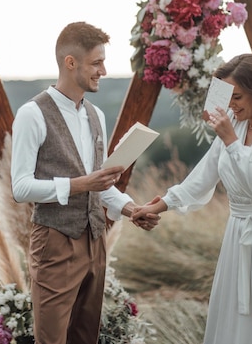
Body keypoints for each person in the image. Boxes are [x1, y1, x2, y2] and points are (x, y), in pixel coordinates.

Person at [133, 53, 252, 344]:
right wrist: (158, 205)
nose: (232, 105)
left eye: (238, 97)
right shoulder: (235, 123)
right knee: (239, 317)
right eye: (228, 97)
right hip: (239, 232)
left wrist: (231, 141)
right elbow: (202, 177)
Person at [11, 21, 159, 344]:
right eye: (96, 62)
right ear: (70, 63)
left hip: (96, 242)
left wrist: (132, 209)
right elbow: (20, 188)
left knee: (85, 338)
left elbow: (101, 185)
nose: (103, 70)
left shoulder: (96, 116)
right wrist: (80, 184)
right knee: (51, 340)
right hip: (54, 244)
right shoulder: (31, 114)